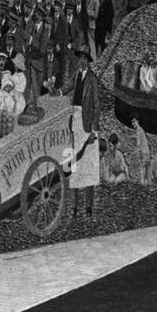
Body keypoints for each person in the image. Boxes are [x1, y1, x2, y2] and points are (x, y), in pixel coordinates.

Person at [68, 49, 100, 219]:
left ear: (88, 61)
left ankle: (88, 207)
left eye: (83, 58)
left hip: (88, 125)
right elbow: (67, 88)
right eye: (79, 58)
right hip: (75, 120)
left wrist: (94, 130)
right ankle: (73, 207)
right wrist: (56, 91)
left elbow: (96, 104)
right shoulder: (76, 75)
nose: (81, 61)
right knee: (73, 165)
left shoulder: (92, 79)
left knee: (88, 167)